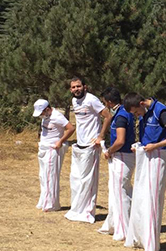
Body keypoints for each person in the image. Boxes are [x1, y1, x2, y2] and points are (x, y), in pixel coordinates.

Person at [123, 93, 166, 251]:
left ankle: (151, 242)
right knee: (141, 198)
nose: (136, 116)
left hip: (158, 158)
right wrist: (140, 146)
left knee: (152, 199)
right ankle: (139, 236)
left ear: (142, 103)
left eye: (136, 112)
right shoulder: (144, 114)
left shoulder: (160, 111)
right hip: (145, 157)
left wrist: (156, 145)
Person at [64, 76, 109, 224]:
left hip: (91, 145)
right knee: (77, 178)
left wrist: (100, 136)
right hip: (80, 145)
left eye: (78, 86)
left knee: (88, 181)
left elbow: (107, 116)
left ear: (85, 86)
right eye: (73, 87)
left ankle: (87, 212)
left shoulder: (91, 100)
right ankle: (77, 209)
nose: (76, 89)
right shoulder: (74, 101)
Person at [97, 88, 135, 241]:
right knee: (118, 191)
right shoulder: (124, 113)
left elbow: (120, 140)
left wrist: (109, 151)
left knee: (121, 193)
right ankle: (116, 223)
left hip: (122, 156)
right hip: (123, 156)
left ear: (110, 102)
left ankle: (124, 229)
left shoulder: (120, 117)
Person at [33, 98, 74, 212]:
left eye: (41, 113)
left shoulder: (57, 116)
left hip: (53, 149)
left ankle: (51, 204)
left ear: (47, 109)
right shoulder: (45, 117)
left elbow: (71, 128)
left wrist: (60, 141)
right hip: (43, 148)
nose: (41, 116)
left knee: (51, 176)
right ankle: (44, 200)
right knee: (43, 176)